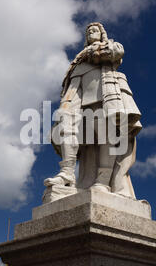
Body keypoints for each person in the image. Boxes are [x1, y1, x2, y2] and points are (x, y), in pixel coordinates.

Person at [44, 22, 142, 200]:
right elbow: (71, 85)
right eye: (88, 31)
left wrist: (94, 52)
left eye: (95, 30)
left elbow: (117, 52)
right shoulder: (78, 61)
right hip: (77, 98)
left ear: (102, 33)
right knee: (65, 126)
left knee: (108, 136)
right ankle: (67, 173)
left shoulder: (109, 47)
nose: (91, 32)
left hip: (106, 95)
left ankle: (103, 182)